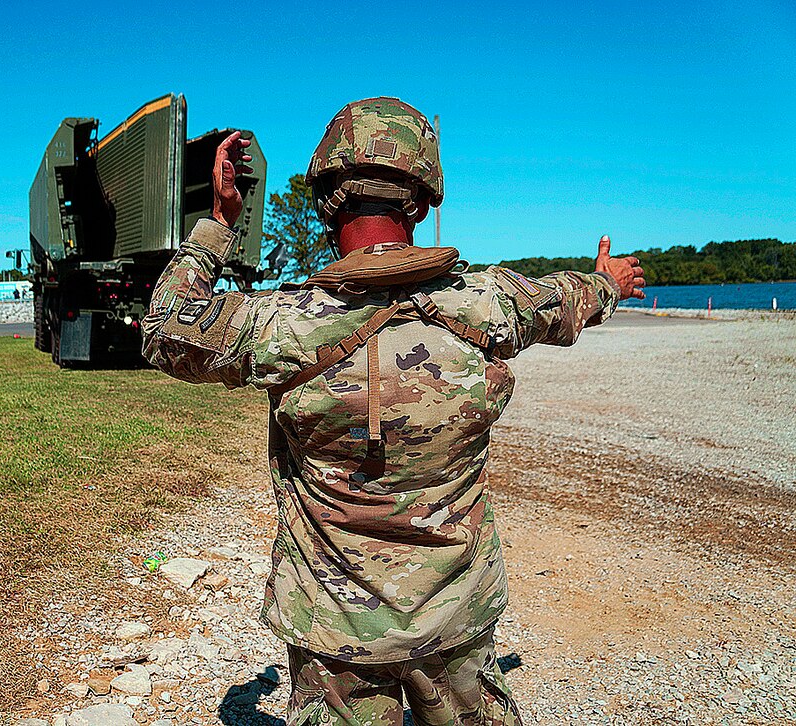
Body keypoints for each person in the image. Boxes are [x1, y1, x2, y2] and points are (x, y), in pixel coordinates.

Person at [141, 99, 646, 726]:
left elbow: (164, 328)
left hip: (335, 633)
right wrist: (612, 282)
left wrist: (220, 224)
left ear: (326, 203)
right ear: (425, 202)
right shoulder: (490, 304)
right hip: (455, 616)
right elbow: (573, 298)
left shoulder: (282, 324)